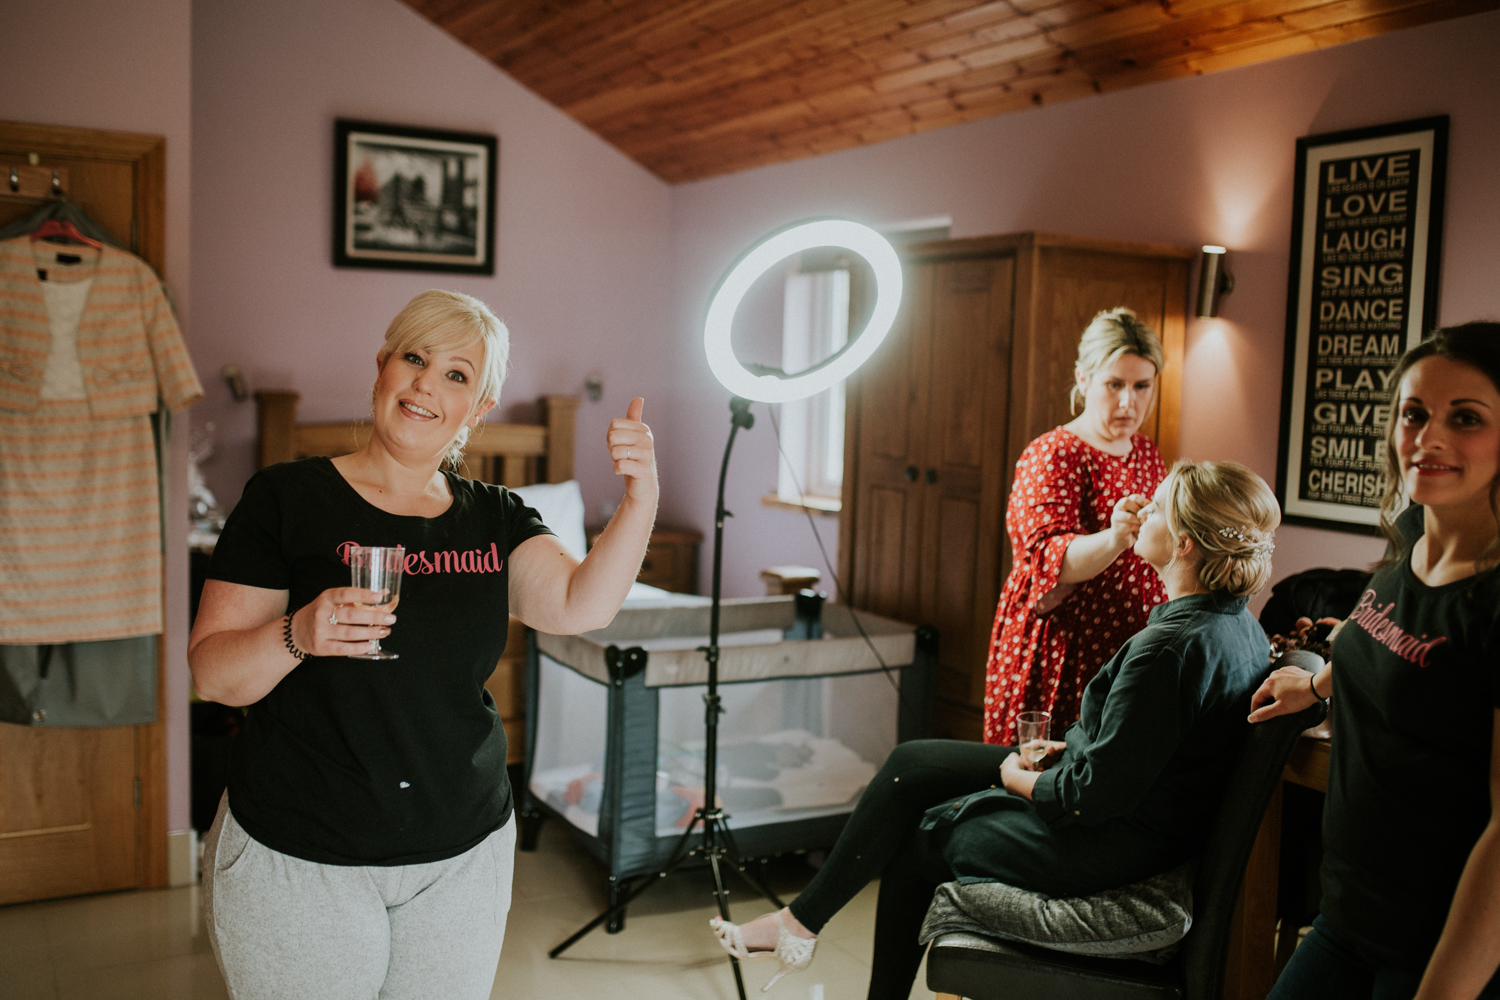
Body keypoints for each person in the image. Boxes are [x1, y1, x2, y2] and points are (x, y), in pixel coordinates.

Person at [188, 290, 658, 1000]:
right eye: (414, 358)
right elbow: (214, 676)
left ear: (480, 407)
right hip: (302, 846)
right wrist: (299, 633)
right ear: (381, 367)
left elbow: (579, 605)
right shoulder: (286, 497)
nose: (425, 386)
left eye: (457, 375)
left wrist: (640, 498)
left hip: (461, 852)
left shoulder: (497, 518)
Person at [712, 460, 1279, 997]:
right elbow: (1152, 751)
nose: (1140, 513)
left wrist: (1019, 781)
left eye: (1155, 509)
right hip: (1141, 813)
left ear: (1183, 544)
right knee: (912, 763)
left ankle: (819, 944)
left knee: (921, 839)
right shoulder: (1239, 627)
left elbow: (1093, 796)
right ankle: (799, 924)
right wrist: (1071, 747)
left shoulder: (1169, 650)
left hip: (1111, 844)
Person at [1251, 323, 1500, 1000]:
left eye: (1466, 418)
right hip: (1348, 918)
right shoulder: (1416, 531)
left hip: (1437, 951)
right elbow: (1379, 629)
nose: (1429, 438)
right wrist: (1317, 682)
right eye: (1415, 413)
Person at [984, 307, 1170, 745]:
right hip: (1065, 648)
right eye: (1114, 385)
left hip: (1128, 642)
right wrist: (1115, 536)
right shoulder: (1053, 454)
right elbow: (1051, 560)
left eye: (1142, 386)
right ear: (1083, 379)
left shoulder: (1147, 453)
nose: (1129, 401)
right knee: (1043, 775)